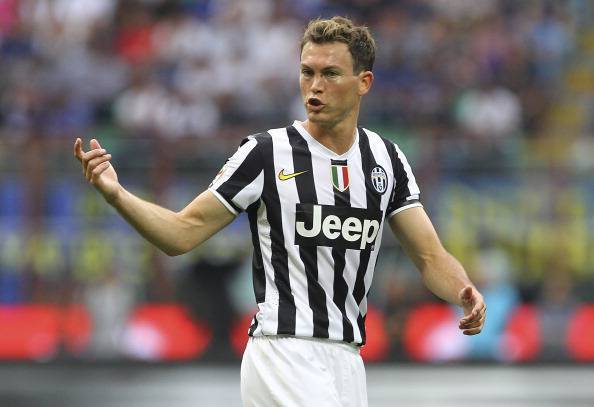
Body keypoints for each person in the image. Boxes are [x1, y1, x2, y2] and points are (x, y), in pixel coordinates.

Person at [74, 16, 486, 407]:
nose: (315, 86)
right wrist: (117, 195)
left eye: (330, 74)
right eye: (308, 72)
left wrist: (463, 292)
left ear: (364, 82)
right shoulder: (266, 153)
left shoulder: (386, 160)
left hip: (347, 359)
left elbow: (430, 256)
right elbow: (182, 233)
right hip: (284, 352)